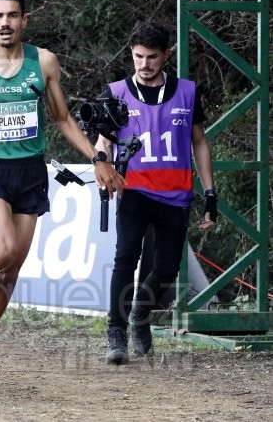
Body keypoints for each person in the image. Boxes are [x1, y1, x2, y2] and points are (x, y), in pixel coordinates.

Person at [0, 0, 125, 386]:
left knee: (9, 274)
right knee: (3, 250)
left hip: (30, 172)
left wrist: (98, 158)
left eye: (12, 16)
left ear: (24, 20)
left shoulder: (43, 62)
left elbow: (62, 118)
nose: (5, 23)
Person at [99, 21, 217, 365]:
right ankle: (116, 332)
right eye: (138, 56)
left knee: (166, 268)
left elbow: (199, 142)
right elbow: (103, 139)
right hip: (133, 189)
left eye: (152, 57)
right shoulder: (117, 92)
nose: (144, 64)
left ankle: (141, 311)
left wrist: (210, 193)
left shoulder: (187, 91)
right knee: (126, 258)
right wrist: (102, 164)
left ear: (166, 55)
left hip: (175, 194)